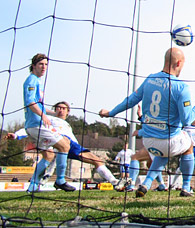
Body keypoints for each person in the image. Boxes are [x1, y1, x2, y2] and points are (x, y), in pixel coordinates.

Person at [99, 47, 195, 198]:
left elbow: (130, 100)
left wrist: (111, 113)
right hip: (169, 141)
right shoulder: (182, 87)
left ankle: (146, 184)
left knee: (164, 154)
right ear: (179, 63)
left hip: (148, 142)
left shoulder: (150, 79)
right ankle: (187, 187)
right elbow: (187, 120)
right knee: (188, 146)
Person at [9, 101, 122, 189]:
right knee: (50, 155)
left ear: (68, 112)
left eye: (64, 108)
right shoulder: (49, 119)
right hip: (56, 142)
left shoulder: (67, 125)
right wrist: (16, 135)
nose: (61, 110)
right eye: (58, 108)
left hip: (71, 146)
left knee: (97, 160)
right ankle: (40, 181)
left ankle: (114, 182)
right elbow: (32, 128)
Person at [22, 54, 74, 192]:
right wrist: (43, 116)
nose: (44, 67)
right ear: (33, 66)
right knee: (64, 145)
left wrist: (52, 113)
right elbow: (31, 103)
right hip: (36, 125)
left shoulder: (37, 81)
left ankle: (33, 185)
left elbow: (39, 105)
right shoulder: (31, 81)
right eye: (41, 64)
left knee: (49, 155)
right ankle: (60, 180)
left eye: (46, 64)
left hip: (35, 125)